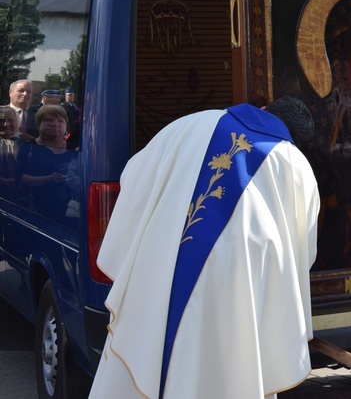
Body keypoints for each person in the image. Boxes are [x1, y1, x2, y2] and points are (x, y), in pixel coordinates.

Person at [89, 98, 320, 399]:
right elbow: (302, 255)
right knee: (229, 374)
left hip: (162, 271)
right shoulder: (296, 166)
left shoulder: (193, 123)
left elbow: (133, 177)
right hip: (239, 291)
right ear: (296, 141)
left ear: (265, 110)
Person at [15, 105, 77, 223]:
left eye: (60, 121)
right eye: (49, 120)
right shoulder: (28, 147)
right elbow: (19, 178)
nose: (55, 124)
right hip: (36, 212)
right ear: (39, 124)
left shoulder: (75, 150)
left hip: (69, 212)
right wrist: (49, 179)